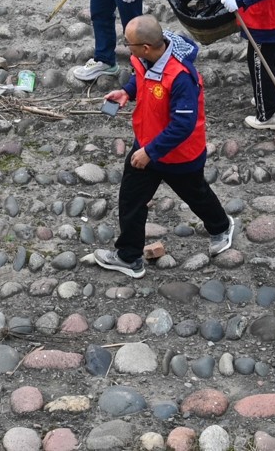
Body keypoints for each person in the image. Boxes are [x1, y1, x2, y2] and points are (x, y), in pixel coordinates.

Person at [90, 15, 234, 278]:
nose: (126, 47)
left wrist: (150, 152)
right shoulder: (147, 57)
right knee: (131, 199)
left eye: (129, 44)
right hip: (146, 144)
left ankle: (221, 226)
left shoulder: (181, 77)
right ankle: (129, 257)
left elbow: (183, 125)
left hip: (178, 155)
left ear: (146, 47)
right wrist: (127, 92)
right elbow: (141, 77)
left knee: (196, 195)